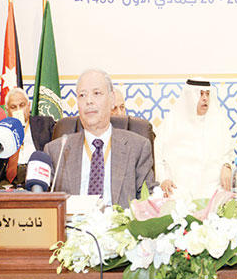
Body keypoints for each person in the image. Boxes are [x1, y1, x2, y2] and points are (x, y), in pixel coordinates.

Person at [44, 69, 156, 208]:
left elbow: (149, 201)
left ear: (112, 99)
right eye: (82, 95)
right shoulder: (56, 151)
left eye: (96, 93)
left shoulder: (137, 147)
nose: (89, 101)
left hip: (118, 221)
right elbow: (42, 204)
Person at [155, 79, 234, 200]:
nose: (205, 98)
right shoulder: (172, 122)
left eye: (207, 94)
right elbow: (158, 156)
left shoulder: (219, 122)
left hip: (213, 190)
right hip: (178, 191)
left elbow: (228, 153)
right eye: (200, 94)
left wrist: (227, 166)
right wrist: (163, 180)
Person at [0, 87, 56, 187]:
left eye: (22, 105)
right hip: (8, 180)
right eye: (13, 107)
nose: (18, 110)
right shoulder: (2, 130)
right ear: (7, 110)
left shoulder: (45, 124)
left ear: (28, 106)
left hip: (36, 174)